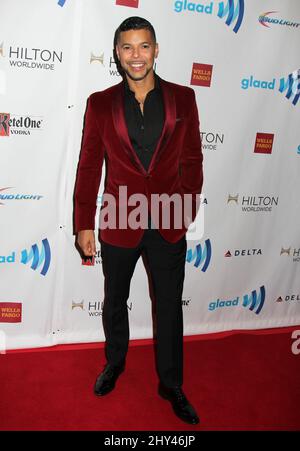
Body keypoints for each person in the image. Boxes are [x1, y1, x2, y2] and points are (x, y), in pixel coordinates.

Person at [74, 16, 203, 425]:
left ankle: (172, 384)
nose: (136, 56)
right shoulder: (99, 103)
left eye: (143, 46)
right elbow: (90, 164)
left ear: (156, 49)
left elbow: (193, 160)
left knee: (169, 306)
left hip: (168, 220)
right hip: (118, 218)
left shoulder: (184, 99)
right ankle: (115, 363)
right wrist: (83, 223)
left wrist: (183, 211)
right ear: (117, 53)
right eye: (127, 47)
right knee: (115, 301)